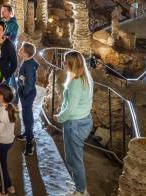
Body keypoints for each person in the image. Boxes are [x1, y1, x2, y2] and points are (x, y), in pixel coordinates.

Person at [56, 52, 94, 196]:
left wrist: (59, 117)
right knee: (73, 158)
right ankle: (78, 183)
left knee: (74, 159)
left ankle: (81, 190)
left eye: (66, 62)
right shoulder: (86, 77)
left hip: (74, 124)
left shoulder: (76, 83)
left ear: (72, 64)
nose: (63, 64)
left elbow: (71, 110)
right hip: (83, 120)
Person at [16, 42, 39, 156]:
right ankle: (27, 133)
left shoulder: (29, 65)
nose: (19, 50)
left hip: (27, 94)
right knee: (27, 115)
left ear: (26, 53)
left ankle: (29, 143)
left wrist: (24, 93)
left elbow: (29, 82)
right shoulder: (28, 61)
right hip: (26, 92)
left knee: (27, 118)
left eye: (21, 49)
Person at [0, 84, 18, 195]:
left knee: (1, 166)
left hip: (2, 142)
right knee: (3, 164)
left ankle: (4, 191)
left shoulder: (3, 112)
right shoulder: (8, 107)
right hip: (9, 139)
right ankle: (9, 185)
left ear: (1, 96)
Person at [0, 21, 17, 89]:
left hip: (2, 77)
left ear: (3, 31)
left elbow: (14, 64)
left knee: (0, 98)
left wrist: (5, 76)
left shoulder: (8, 45)